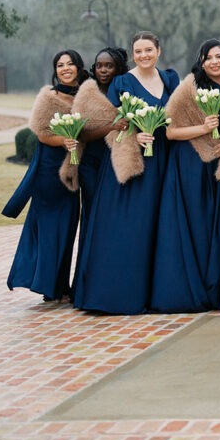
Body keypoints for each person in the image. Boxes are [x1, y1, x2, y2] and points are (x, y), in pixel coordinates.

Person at [73, 32, 180, 314]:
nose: (143, 55)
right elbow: (114, 121)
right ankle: (121, 293)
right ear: (133, 54)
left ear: (159, 50)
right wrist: (135, 134)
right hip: (133, 161)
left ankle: (158, 292)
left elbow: (179, 114)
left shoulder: (170, 79)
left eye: (148, 50)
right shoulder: (121, 83)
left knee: (162, 225)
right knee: (133, 225)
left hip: (165, 159)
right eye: (138, 51)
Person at [151, 38, 220, 312]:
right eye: (209, 57)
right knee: (197, 223)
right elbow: (171, 131)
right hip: (190, 163)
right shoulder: (190, 88)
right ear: (201, 61)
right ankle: (191, 286)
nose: (214, 61)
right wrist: (203, 127)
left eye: (219, 56)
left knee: (217, 224)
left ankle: (216, 287)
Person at [4, 50, 89, 301]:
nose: (65, 68)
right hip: (49, 174)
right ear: (55, 71)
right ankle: (50, 288)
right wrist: (64, 140)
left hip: (73, 175)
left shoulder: (86, 96)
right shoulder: (48, 97)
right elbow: (41, 133)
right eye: (60, 65)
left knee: (68, 228)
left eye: (70, 64)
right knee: (51, 231)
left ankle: (61, 284)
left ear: (78, 67)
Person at [70, 46, 129, 294]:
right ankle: (85, 282)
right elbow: (80, 132)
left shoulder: (127, 91)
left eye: (108, 65)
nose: (103, 70)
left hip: (118, 161)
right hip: (92, 164)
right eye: (99, 65)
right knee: (93, 218)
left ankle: (114, 275)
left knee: (115, 219)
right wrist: (110, 127)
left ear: (118, 68)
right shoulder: (88, 93)